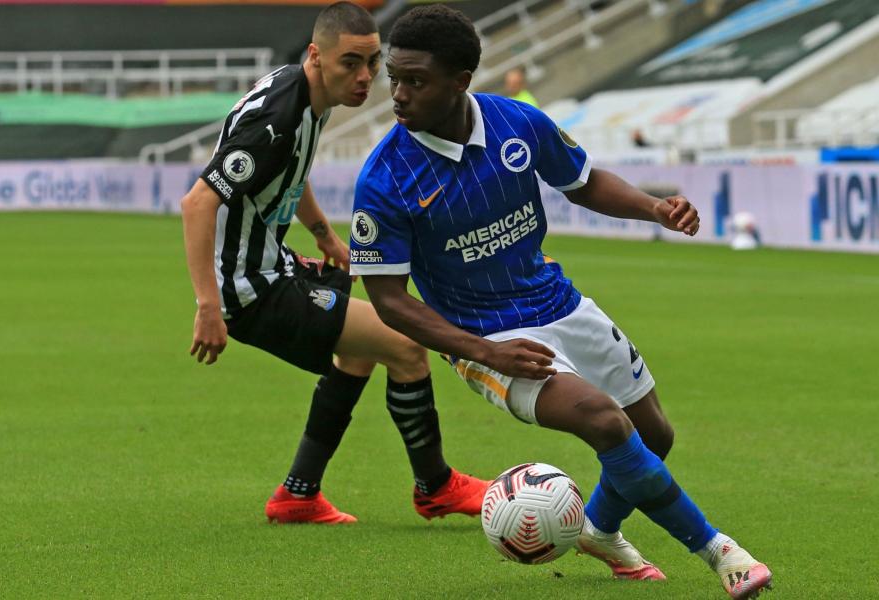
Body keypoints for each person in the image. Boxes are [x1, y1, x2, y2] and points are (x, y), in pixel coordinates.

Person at [349, 5, 772, 598]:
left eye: (415, 80)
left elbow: (584, 180)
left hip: (559, 303)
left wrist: (653, 207)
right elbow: (390, 301)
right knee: (604, 420)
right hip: (485, 337)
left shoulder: (517, 122)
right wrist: (483, 354)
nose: (397, 93)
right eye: (395, 77)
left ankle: (598, 530)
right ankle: (721, 553)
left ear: (461, 80)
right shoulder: (386, 178)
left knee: (654, 437)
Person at [180, 1, 487, 525]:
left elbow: (288, 175)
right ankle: (435, 486)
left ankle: (299, 494)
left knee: (362, 350)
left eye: (372, 62)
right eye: (351, 63)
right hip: (251, 288)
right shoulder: (277, 120)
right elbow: (198, 202)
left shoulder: (305, 95)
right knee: (406, 344)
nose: (366, 77)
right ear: (316, 56)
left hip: (273, 266)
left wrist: (324, 236)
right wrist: (209, 304)